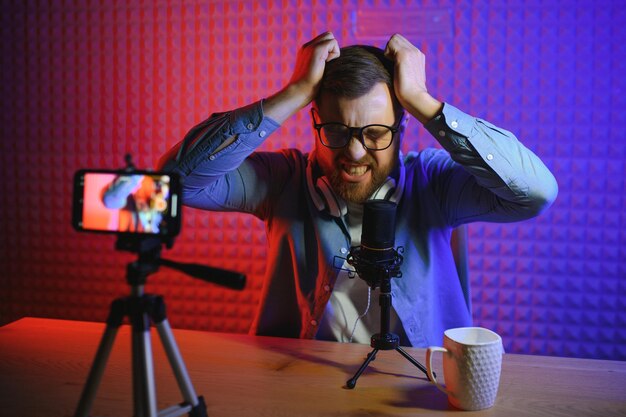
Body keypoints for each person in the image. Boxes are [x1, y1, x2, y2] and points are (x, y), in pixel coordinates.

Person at [158, 32, 558, 347]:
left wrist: (421, 100)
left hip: (418, 386)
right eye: (335, 130)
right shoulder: (282, 181)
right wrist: (294, 92)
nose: (353, 152)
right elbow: (178, 180)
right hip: (298, 383)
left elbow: (535, 192)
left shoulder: (434, 185)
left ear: (400, 127)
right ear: (315, 121)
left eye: (375, 133)